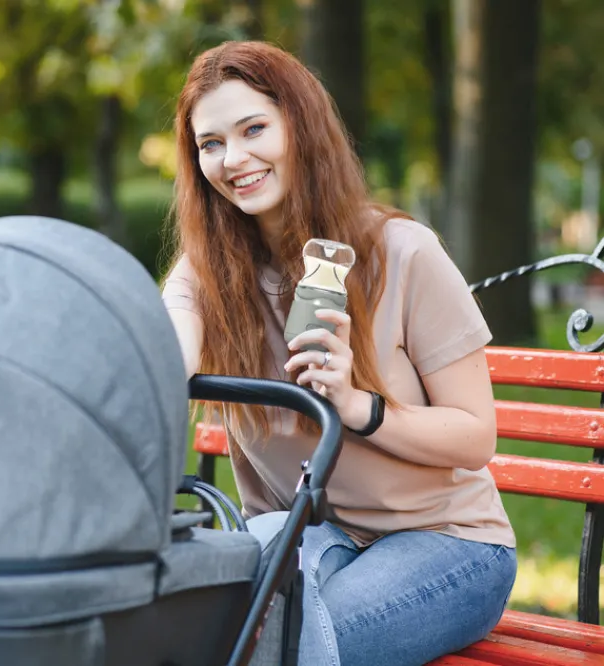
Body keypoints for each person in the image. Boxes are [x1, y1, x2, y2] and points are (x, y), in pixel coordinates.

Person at [161, 40, 516, 666]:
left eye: (253, 129)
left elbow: (475, 437)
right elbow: (169, 362)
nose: (233, 158)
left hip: (448, 541)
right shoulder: (204, 276)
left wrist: (357, 406)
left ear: (300, 126)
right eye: (210, 143)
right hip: (308, 530)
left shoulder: (402, 253)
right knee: (203, 631)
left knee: (281, 645)